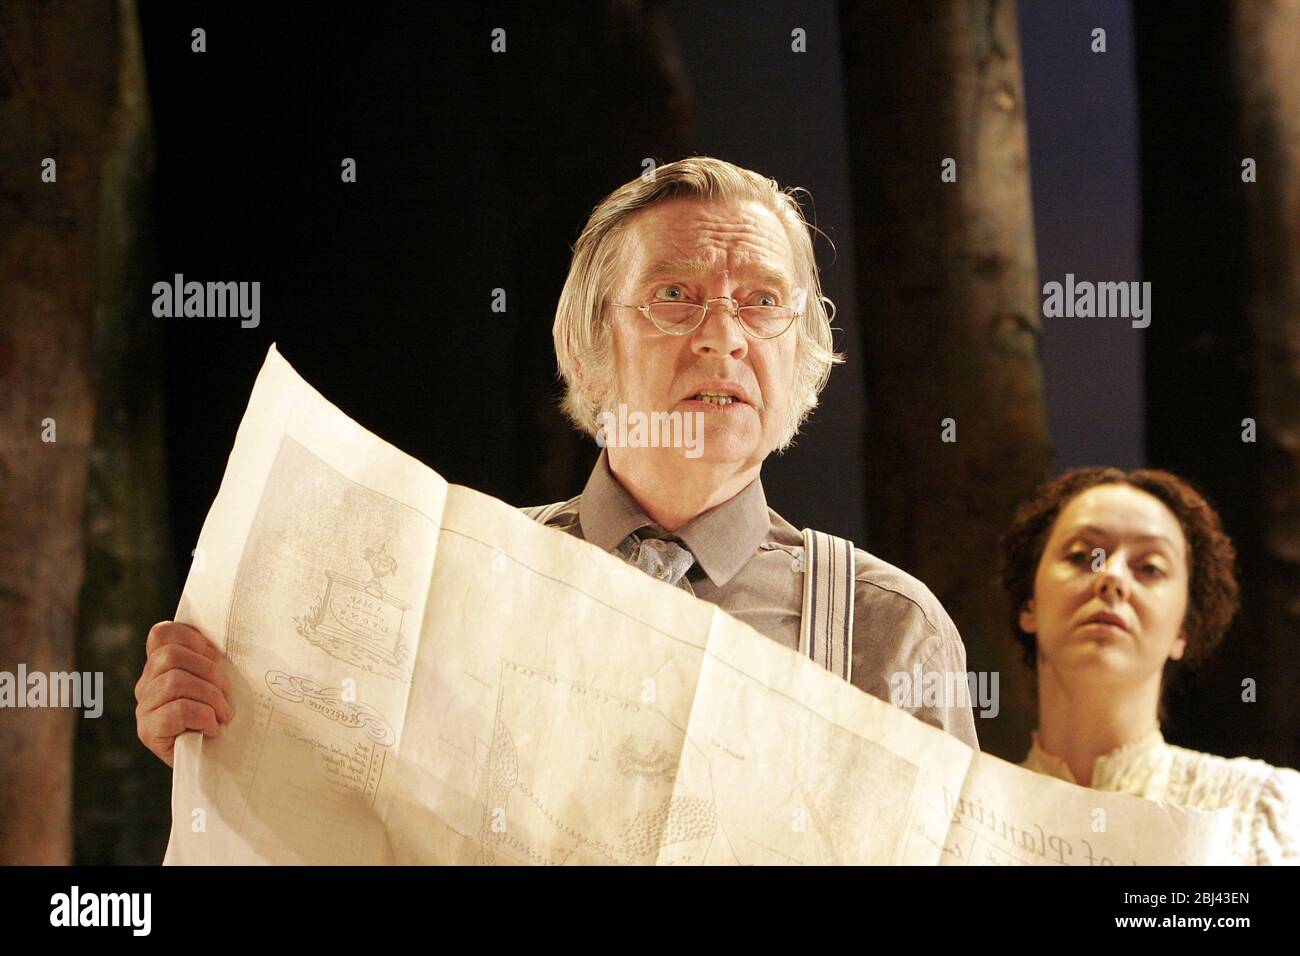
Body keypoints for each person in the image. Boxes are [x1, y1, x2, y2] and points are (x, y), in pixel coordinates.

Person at [136, 156, 978, 771]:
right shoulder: (448, 578)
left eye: (762, 304)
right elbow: (335, 811)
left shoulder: (889, 630)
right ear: (586, 350)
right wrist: (222, 738)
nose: (723, 335)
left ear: (800, 360)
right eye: (675, 296)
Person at [999, 466, 1299, 864]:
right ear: (1029, 604)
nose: (1112, 576)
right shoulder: (964, 808)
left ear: (1183, 629)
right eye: (1081, 555)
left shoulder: (1261, 809)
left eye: (1150, 567)